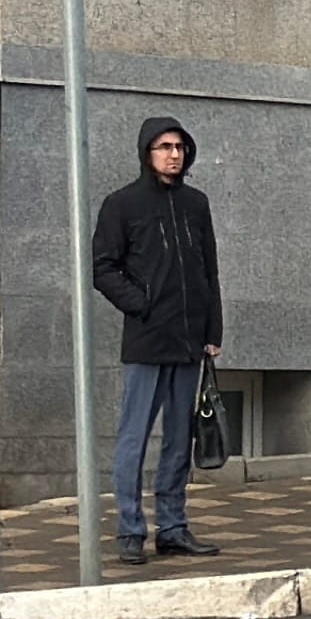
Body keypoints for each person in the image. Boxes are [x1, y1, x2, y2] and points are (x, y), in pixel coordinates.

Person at [91, 116, 224, 563]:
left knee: (179, 439)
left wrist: (212, 330)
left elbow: (209, 271)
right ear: (147, 152)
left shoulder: (196, 204)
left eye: (180, 147)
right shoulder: (122, 204)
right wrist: (142, 304)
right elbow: (102, 268)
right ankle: (130, 530)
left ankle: (173, 527)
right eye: (164, 147)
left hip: (189, 341)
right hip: (147, 340)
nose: (174, 155)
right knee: (134, 438)